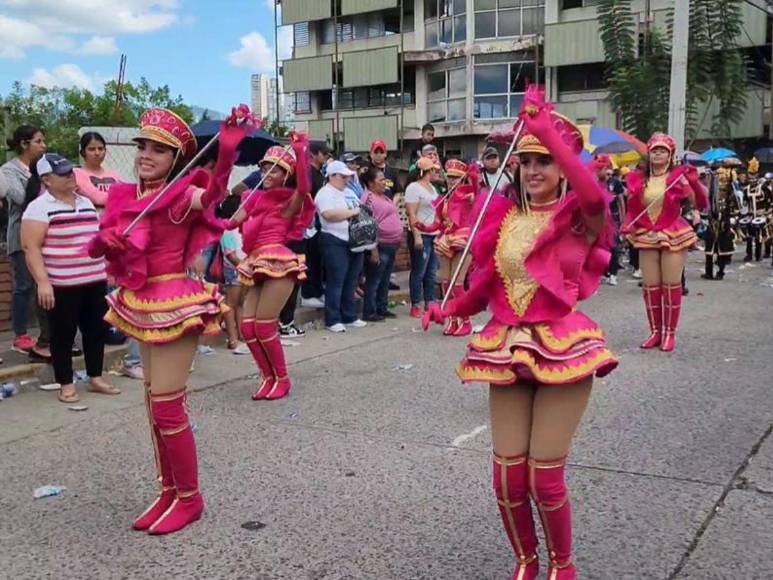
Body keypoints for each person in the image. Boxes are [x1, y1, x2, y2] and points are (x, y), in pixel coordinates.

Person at [424, 88, 618, 580]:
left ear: (563, 166)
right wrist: (448, 308)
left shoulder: (579, 217)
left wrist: (548, 130)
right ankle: (526, 562)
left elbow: (593, 195)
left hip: (562, 346)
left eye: (546, 161)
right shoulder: (506, 217)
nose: (533, 170)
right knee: (508, 476)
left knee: (545, 478)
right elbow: (488, 280)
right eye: (527, 160)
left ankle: (562, 567)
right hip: (508, 345)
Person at [88, 107, 250, 535]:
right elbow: (109, 252)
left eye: (158, 149)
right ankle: (168, 489)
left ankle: (190, 498)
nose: (146, 154)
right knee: (151, 405)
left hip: (174, 300)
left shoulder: (179, 195)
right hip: (141, 301)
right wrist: (108, 242)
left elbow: (211, 195)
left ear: (175, 157)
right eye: (142, 146)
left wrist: (228, 150)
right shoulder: (127, 198)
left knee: (167, 404)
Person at [21, 153, 118, 403]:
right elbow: (31, 249)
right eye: (63, 174)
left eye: (70, 172)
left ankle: (95, 377)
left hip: (94, 280)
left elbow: (95, 239)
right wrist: (43, 282)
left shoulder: (85, 202)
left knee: (95, 330)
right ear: (47, 180)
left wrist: (107, 269)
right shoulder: (39, 208)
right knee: (63, 335)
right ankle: (66, 383)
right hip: (62, 284)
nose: (70, 177)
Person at [227, 136, 314, 400]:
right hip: (255, 263)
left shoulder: (288, 202)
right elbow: (230, 223)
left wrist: (300, 152)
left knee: (264, 326)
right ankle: (268, 377)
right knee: (248, 328)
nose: (267, 173)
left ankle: (282, 379)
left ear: (285, 174)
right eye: (264, 168)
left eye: (274, 169)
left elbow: (303, 188)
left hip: (278, 263)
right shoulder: (252, 200)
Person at [622, 133, 708, 352]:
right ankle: (655, 332)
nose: (658, 154)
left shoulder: (678, 178)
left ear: (670, 156)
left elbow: (701, 202)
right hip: (646, 233)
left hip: (672, 231)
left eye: (663, 151)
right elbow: (632, 207)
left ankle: (669, 333)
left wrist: (693, 182)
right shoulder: (639, 179)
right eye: (654, 150)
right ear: (648, 154)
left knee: (671, 285)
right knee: (651, 286)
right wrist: (627, 225)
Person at [1, 125, 51, 358]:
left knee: (47, 284)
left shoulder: (45, 167)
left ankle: (47, 335)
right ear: (24, 144)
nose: (44, 146)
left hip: (46, 234)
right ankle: (20, 335)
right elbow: (21, 198)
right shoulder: (9, 170)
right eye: (38, 141)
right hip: (20, 234)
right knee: (23, 285)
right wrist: (39, 179)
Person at [315, 160, 367, 332]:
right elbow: (328, 214)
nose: (347, 179)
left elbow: (360, 208)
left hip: (354, 239)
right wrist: (351, 213)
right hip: (334, 239)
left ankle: (349, 315)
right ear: (332, 175)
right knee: (336, 281)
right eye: (343, 176)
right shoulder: (325, 193)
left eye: (348, 176)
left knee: (351, 280)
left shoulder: (350, 192)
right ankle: (333, 319)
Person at [430, 159, 478, 336]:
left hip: (463, 240)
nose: (451, 180)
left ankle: (465, 321)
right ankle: (452, 319)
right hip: (446, 240)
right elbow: (439, 224)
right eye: (449, 177)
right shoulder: (444, 199)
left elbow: (477, 195)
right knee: (445, 282)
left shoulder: (469, 195)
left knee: (457, 284)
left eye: (455, 177)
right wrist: (423, 226)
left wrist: (472, 178)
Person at [361, 166, 403, 321]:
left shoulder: (384, 197)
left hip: (392, 245)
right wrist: (373, 250)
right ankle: (370, 311)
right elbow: (367, 225)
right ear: (371, 183)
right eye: (381, 180)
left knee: (385, 279)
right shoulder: (368, 198)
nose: (384, 183)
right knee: (374, 280)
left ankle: (381, 307)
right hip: (380, 245)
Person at [405, 157, 441, 318]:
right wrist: (417, 235)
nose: (435, 173)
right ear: (428, 171)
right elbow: (411, 213)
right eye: (433, 170)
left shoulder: (432, 188)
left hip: (433, 233)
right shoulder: (414, 188)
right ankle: (415, 304)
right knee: (419, 271)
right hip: (421, 233)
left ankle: (430, 301)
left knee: (431, 271)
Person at [299, 141, 332, 309]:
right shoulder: (307, 173)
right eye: (324, 154)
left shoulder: (320, 174)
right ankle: (308, 294)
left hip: (320, 223)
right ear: (313, 154)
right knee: (310, 259)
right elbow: (305, 195)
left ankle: (318, 292)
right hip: (309, 223)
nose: (327, 157)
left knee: (318, 259)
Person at [74, 132, 123, 211]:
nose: (97, 153)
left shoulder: (114, 175)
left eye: (100, 149)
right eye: (92, 149)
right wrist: (120, 199)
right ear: (83, 152)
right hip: (90, 219)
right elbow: (99, 199)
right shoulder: (77, 174)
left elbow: (126, 196)